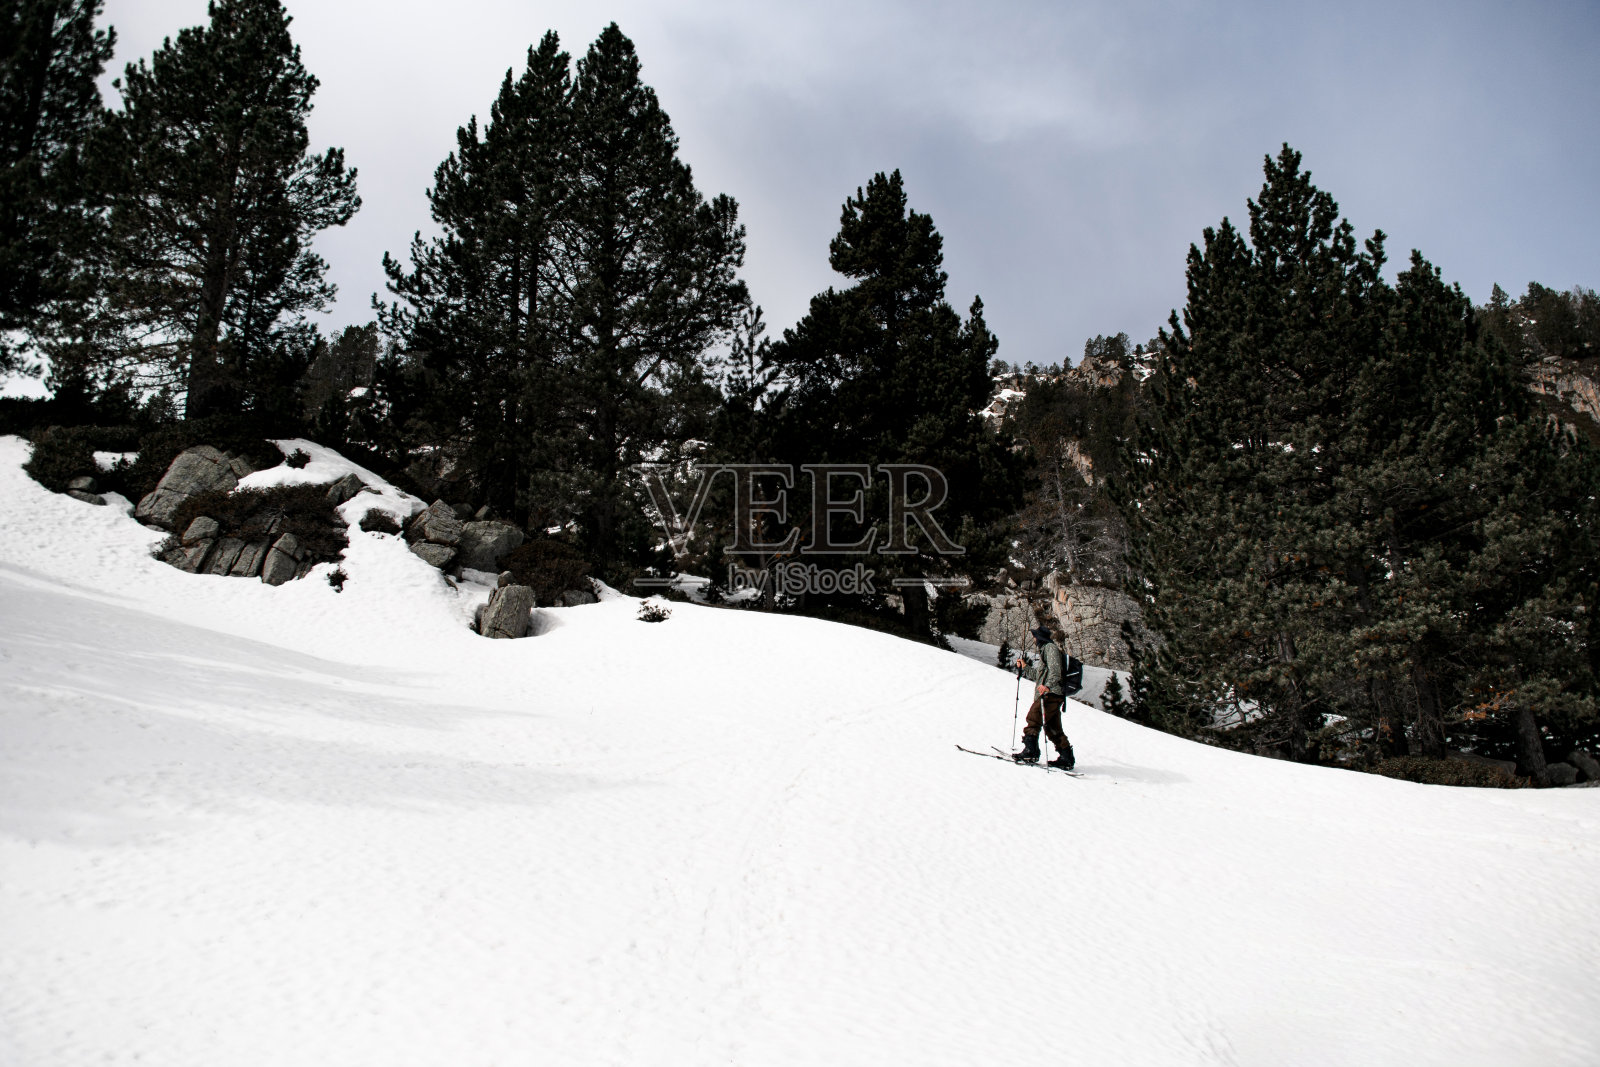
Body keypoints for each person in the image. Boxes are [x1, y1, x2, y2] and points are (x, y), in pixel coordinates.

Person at [1013, 625, 1081, 768]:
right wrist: (1025, 667)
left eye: (1035, 636)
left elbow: (1055, 671)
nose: (1034, 639)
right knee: (1052, 727)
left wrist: (1047, 686)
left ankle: (1031, 751)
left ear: (1039, 638)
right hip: (1053, 694)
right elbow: (1039, 677)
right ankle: (1066, 758)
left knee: (1033, 718)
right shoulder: (1046, 650)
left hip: (1050, 694)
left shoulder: (1050, 648)